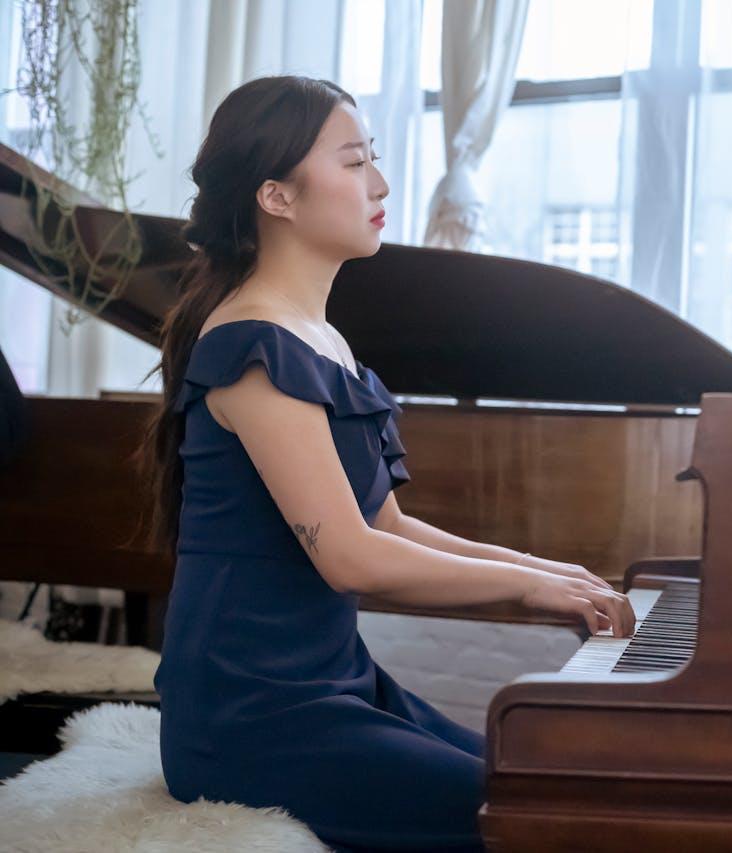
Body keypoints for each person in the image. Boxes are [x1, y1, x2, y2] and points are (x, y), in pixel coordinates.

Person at [131, 75, 636, 853]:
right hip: (250, 716)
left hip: (335, 682)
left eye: (373, 158)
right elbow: (350, 556)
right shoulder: (250, 344)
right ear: (276, 196)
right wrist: (529, 587)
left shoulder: (320, 340)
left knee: (544, 784)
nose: (381, 183)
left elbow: (387, 524)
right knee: (535, 817)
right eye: (354, 161)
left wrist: (546, 571)